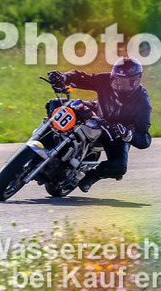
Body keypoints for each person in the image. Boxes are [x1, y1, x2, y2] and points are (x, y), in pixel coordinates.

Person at [47, 57, 152, 192]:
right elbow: (82, 77)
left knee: (118, 167)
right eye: (116, 80)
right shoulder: (106, 79)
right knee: (55, 104)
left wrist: (127, 134)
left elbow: (145, 139)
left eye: (125, 81)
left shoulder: (143, 103)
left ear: (136, 80)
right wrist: (64, 77)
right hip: (96, 113)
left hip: (115, 133)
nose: (119, 85)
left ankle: (92, 176)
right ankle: (48, 141)